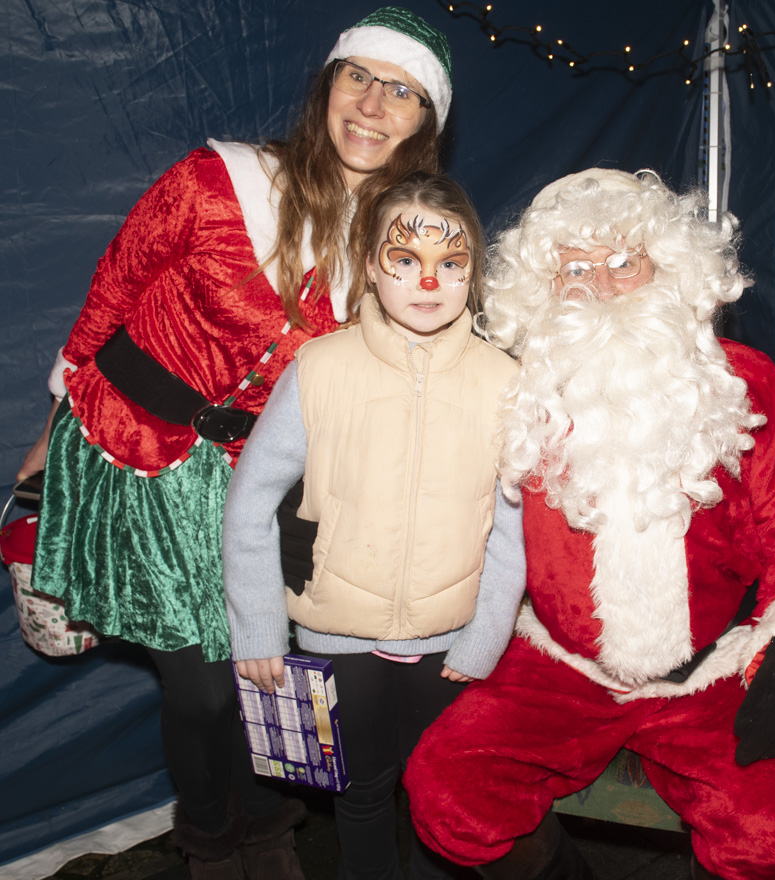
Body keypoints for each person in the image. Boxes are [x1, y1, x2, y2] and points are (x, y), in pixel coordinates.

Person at [19, 8, 453, 877]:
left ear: (425, 123)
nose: (373, 104)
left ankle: (266, 824)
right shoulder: (218, 179)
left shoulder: (402, 246)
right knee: (203, 685)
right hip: (135, 452)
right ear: (327, 87)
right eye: (358, 77)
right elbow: (113, 290)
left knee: (261, 672)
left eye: (401, 91)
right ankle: (212, 839)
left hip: (254, 481)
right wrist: (48, 431)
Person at [403, 168, 775, 880]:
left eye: (625, 261)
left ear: (669, 267)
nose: (602, 283)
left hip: (713, 670)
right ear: (543, 288)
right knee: (449, 792)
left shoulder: (742, 385)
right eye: (576, 268)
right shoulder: (512, 394)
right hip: (559, 668)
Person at [223, 171, 525, 880]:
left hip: (450, 642)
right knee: (360, 794)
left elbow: (512, 528)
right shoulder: (318, 368)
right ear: (368, 264)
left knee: (437, 792)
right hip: (337, 639)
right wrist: (259, 627)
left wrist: (485, 636)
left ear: (474, 273)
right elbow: (251, 501)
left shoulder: (506, 382)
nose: (429, 281)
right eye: (405, 259)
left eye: (451, 262)